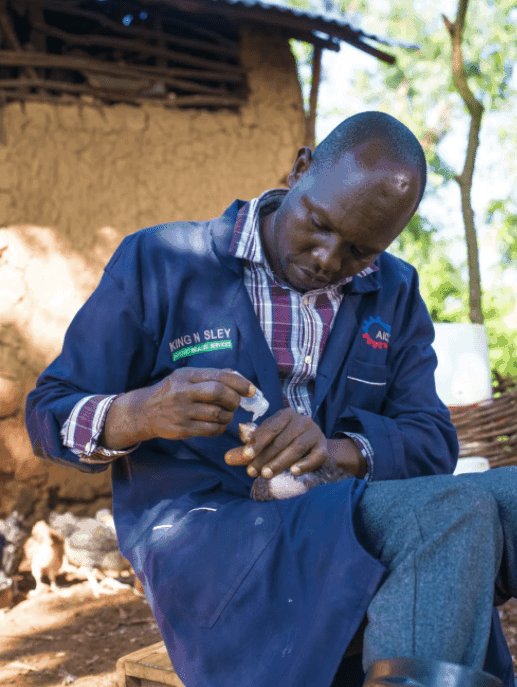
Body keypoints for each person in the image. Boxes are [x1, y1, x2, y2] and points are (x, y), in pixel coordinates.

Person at [25, 111, 517, 687]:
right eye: (319, 224)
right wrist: (140, 412)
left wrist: (336, 451)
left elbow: (432, 441)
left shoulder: (395, 289)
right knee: (451, 514)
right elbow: (46, 415)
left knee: (488, 504)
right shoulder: (161, 261)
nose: (330, 258)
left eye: (361, 249)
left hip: (345, 518)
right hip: (214, 538)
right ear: (300, 168)